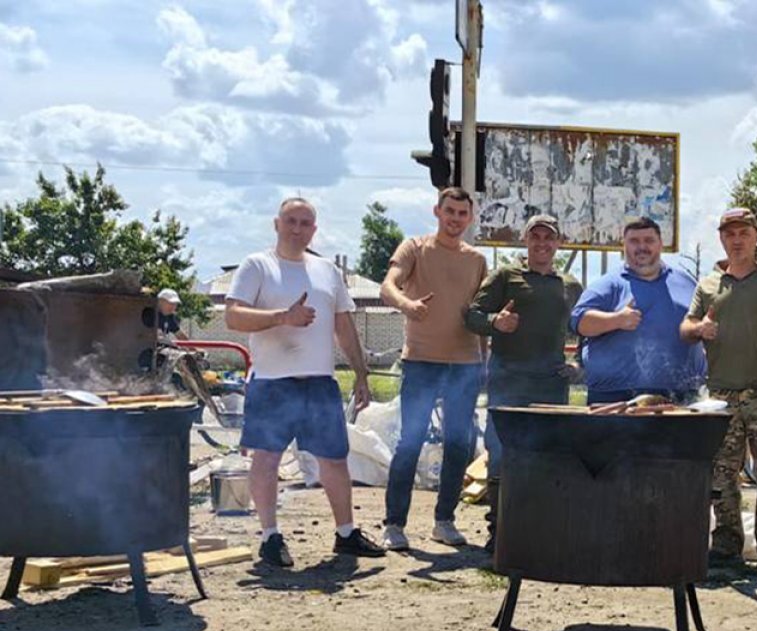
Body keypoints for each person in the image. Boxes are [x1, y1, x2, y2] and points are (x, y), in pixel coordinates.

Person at [225, 197, 384, 568]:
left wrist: (360, 372)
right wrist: (283, 316)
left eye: (305, 223)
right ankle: (270, 537)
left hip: (319, 382)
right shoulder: (257, 266)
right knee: (267, 459)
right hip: (272, 382)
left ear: (314, 229)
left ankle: (346, 534)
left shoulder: (327, 271)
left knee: (334, 458)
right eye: (291, 221)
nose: (297, 229)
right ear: (276, 224)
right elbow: (233, 317)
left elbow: (343, 324)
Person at [681, 208, 757, 575]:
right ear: (722, 239)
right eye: (730, 233)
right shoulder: (709, 286)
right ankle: (727, 545)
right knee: (721, 475)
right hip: (721, 398)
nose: (736, 240)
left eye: (743, 233)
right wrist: (699, 328)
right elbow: (684, 328)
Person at [465, 214, 582, 552]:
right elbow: (472, 316)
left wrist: (579, 364)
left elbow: (586, 328)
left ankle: (543, 528)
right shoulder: (504, 276)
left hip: (551, 384)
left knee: (550, 456)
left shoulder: (570, 285)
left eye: (549, 237)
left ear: (558, 243)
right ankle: (500, 530)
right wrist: (495, 322)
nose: (542, 243)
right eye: (536, 237)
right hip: (509, 380)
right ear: (525, 241)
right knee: (501, 455)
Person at [379, 186, 487, 551]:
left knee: (460, 443)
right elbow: (387, 286)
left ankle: (445, 520)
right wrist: (406, 304)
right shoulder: (415, 248)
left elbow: (480, 314)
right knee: (409, 441)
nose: (455, 219)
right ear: (437, 212)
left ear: (469, 218)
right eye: (450, 211)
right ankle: (394, 524)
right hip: (422, 361)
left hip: (465, 364)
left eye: (462, 213)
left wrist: (485, 359)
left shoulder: (477, 260)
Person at [569, 217, 705, 403]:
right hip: (614, 398)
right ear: (623, 245)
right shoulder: (608, 284)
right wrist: (616, 320)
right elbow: (579, 321)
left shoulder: (687, 283)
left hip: (682, 396)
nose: (642, 247)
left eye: (649, 240)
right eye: (634, 241)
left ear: (660, 244)